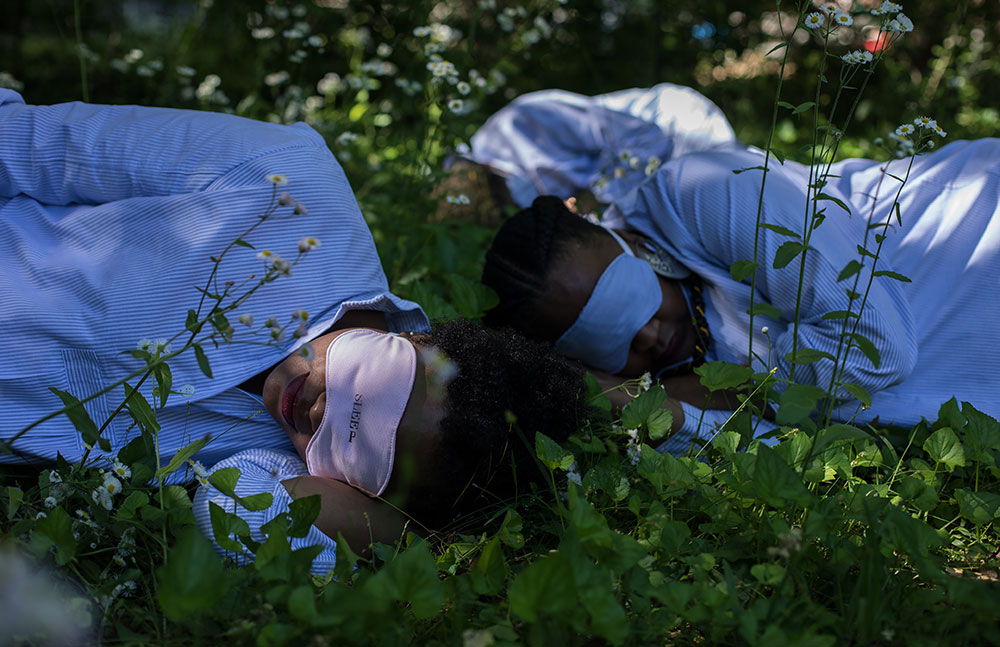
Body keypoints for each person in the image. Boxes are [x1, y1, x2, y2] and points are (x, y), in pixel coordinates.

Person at [0, 90, 588, 571]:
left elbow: (238, 520)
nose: (315, 411)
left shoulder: (274, 462)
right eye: (369, 389)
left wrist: (412, 535)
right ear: (421, 339)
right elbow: (24, 143)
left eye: (355, 449)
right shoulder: (287, 179)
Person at [482, 137, 1000, 448]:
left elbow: (875, 346)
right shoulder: (635, 386)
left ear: (630, 243)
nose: (646, 333)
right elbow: (771, 455)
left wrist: (700, 392)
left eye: (630, 299)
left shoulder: (703, 188)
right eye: (604, 340)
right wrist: (637, 404)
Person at [437, 83, 737, 224]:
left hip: (683, 128)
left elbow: (649, 136)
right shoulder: (509, 201)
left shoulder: (520, 122)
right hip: (656, 181)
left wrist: (590, 198)